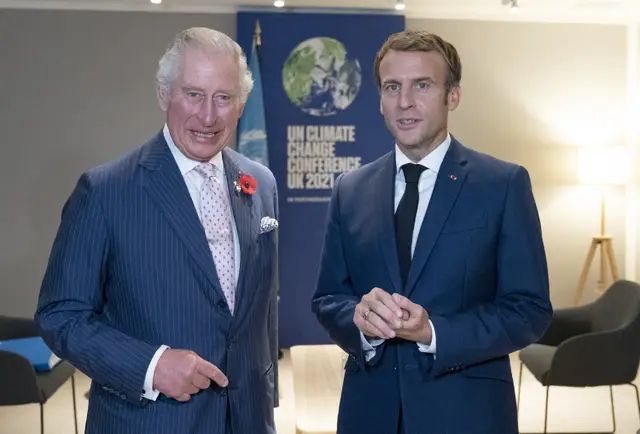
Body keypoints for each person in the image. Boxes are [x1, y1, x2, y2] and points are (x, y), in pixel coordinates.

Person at [35, 27, 279, 434]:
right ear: (164, 94)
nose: (208, 115)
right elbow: (60, 315)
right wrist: (151, 366)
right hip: (149, 422)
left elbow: (261, 311)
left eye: (224, 97)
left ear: (242, 105)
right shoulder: (104, 191)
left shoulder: (261, 183)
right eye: (193, 94)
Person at [312, 29, 552, 434]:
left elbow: (529, 310)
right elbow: (328, 297)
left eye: (421, 85)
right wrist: (359, 319)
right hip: (369, 413)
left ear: (452, 96)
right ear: (381, 100)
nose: (405, 102)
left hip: (467, 414)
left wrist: (434, 331)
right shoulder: (349, 189)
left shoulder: (503, 184)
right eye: (392, 87)